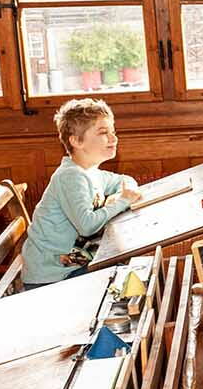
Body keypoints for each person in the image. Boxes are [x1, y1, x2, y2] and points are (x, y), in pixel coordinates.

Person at [22, 98, 141, 289]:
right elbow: (87, 226)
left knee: (129, 270)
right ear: (76, 141)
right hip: (50, 278)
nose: (114, 138)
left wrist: (126, 190)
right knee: (127, 275)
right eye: (103, 133)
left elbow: (123, 180)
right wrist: (122, 201)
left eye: (113, 131)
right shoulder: (71, 176)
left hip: (72, 265)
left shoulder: (90, 171)